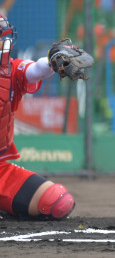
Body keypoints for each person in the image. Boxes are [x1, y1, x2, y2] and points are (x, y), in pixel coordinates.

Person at [0, 16, 80, 220]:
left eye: (3, 38)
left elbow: (35, 69)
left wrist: (55, 60)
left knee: (58, 201)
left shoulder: (9, 72)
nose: (3, 43)